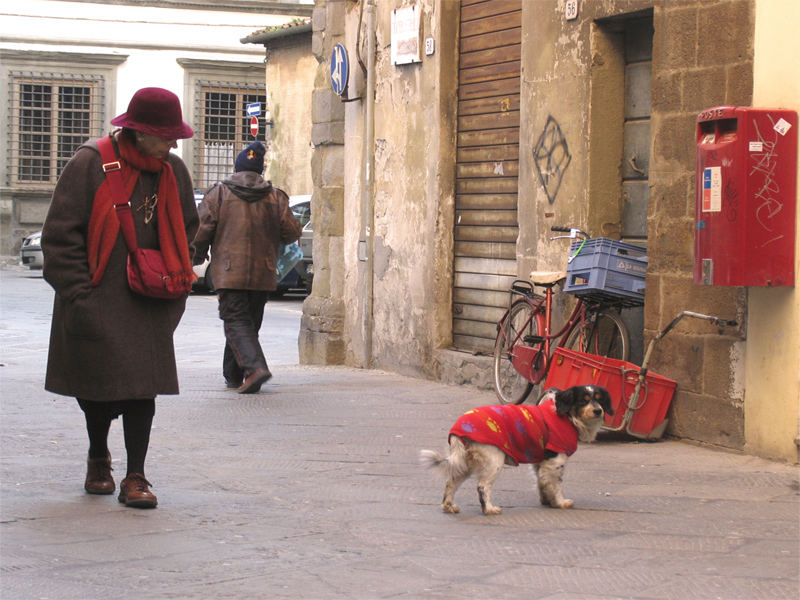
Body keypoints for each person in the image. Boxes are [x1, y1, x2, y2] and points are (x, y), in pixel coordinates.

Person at [41, 87, 198, 509]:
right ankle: (98, 456)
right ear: (138, 131)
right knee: (96, 390)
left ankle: (136, 475)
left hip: (150, 300)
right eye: (165, 136)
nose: (173, 144)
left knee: (142, 391)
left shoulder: (173, 171)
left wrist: (175, 269)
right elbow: (60, 235)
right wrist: (79, 295)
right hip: (97, 295)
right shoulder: (90, 163)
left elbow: (189, 228)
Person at [192, 141, 302, 394]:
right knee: (247, 324)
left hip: (229, 272)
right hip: (263, 272)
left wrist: (194, 260)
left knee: (237, 322)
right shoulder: (276, 197)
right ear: (260, 171)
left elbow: (200, 231)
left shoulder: (218, 194)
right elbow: (291, 232)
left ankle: (254, 369)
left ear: (237, 168)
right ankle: (233, 374)